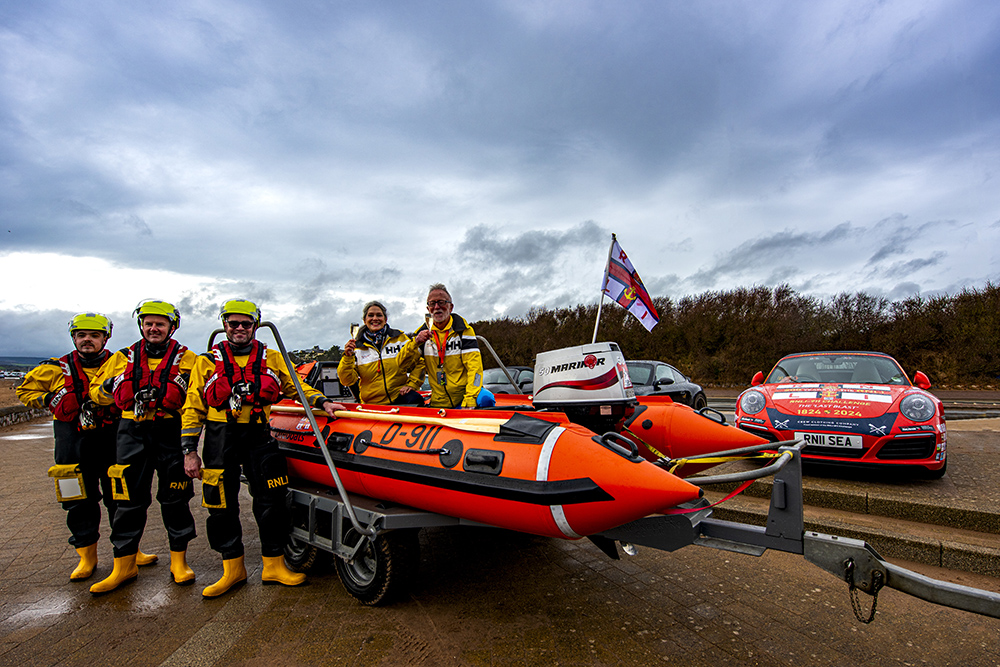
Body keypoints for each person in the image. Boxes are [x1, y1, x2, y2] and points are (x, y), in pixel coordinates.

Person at [180, 299, 344, 597]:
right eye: (233, 323)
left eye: (246, 323)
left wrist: (322, 402)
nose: (239, 329)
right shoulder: (205, 361)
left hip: (259, 435)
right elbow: (193, 406)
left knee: (272, 500)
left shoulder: (271, 358)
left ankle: (273, 564)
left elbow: (296, 384)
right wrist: (189, 450)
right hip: (220, 437)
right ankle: (232, 568)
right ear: (224, 325)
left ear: (255, 326)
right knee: (220, 504)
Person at [16, 313, 157, 580]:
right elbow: (25, 391)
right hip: (72, 445)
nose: (87, 340)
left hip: (113, 441)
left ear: (106, 337)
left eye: (94, 335)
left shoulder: (120, 365)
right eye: (82, 335)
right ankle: (86, 556)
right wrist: (50, 399)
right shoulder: (54, 369)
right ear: (74, 337)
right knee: (77, 500)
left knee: (123, 497)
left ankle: (129, 549)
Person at [87, 300, 199, 595]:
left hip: (170, 432)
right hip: (131, 432)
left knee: (175, 498)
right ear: (141, 326)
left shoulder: (189, 360)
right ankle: (124, 565)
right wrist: (115, 387)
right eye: (149, 323)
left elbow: (201, 395)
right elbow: (96, 393)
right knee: (127, 500)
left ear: (171, 327)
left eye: (160, 324)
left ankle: (179, 561)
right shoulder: (122, 358)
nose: (153, 329)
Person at [406, 284, 486, 408]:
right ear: (428, 309)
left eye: (441, 302)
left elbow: (475, 368)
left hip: (464, 399)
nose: (437, 307)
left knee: (486, 399)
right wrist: (411, 384)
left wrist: (471, 398)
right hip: (438, 403)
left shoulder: (463, 331)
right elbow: (409, 364)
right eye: (432, 303)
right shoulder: (422, 334)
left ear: (451, 307)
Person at [337, 300, 423, 405]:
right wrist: (347, 357)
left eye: (379, 315)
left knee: (416, 399)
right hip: (371, 403)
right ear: (365, 320)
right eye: (370, 315)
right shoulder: (357, 347)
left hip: (399, 398)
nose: (375, 319)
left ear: (385, 319)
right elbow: (347, 381)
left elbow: (420, 362)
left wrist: (412, 384)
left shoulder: (400, 338)